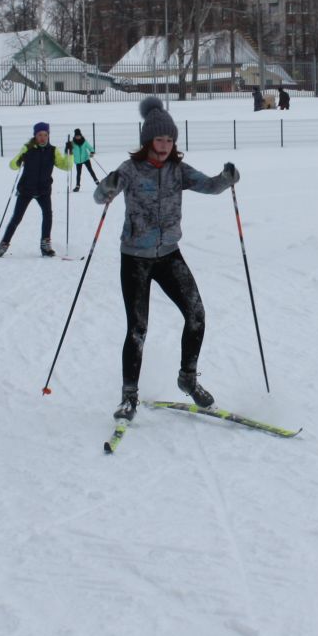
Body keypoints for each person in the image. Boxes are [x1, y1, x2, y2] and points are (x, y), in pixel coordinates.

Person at [92, 96, 238, 420]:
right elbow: (99, 196)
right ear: (147, 140)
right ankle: (128, 397)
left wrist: (227, 178)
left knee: (197, 314)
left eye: (170, 139)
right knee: (138, 329)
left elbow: (211, 186)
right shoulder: (129, 170)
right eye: (159, 139)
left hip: (169, 255)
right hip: (135, 258)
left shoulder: (178, 171)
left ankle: (188, 378)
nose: (165, 145)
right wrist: (108, 186)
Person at [0, 121, 71, 257]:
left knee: (48, 215)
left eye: (45, 135)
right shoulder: (27, 149)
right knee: (16, 218)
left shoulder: (53, 151)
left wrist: (69, 154)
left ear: (48, 135)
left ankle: (45, 246)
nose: (42, 137)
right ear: (35, 135)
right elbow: (13, 165)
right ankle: (3, 245)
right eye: (40, 135)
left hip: (44, 190)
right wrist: (20, 157)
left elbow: (66, 166)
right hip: (26, 189)